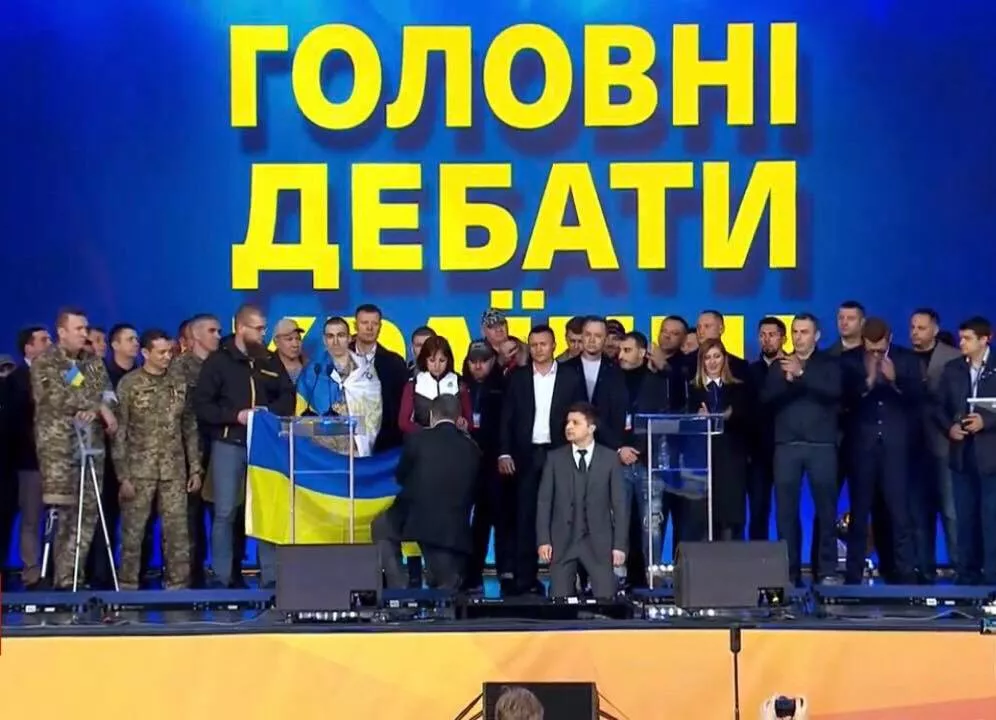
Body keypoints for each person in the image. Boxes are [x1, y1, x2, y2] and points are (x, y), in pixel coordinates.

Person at [193, 304, 295, 588]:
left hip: (264, 446)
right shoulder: (218, 362)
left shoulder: (269, 360)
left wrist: (267, 413)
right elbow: (202, 406)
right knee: (225, 511)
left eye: (264, 328)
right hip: (229, 444)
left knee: (267, 511)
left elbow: (288, 395)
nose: (263, 334)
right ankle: (223, 577)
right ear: (240, 328)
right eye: (258, 329)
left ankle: (272, 577)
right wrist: (235, 416)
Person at [30, 307, 118, 590]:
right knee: (64, 514)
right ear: (62, 332)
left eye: (85, 328)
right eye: (78, 329)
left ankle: (73, 578)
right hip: (60, 450)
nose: (84, 334)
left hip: (90, 447)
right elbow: (56, 397)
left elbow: (109, 394)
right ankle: (56, 578)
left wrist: (101, 406)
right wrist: (97, 406)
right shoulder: (46, 362)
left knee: (87, 514)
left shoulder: (93, 362)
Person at [114, 329, 202, 589]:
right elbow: (120, 433)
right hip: (138, 471)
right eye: (161, 352)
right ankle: (128, 586)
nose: (167, 357)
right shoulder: (130, 384)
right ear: (145, 353)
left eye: (169, 352)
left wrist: (195, 468)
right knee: (133, 532)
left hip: (174, 470)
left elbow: (189, 427)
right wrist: (122, 476)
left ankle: (177, 586)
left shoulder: (179, 383)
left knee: (177, 532)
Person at [372, 394, 481, 591]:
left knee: (381, 526)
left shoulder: (416, 439)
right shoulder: (472, 448)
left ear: (432, 415)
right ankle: (442, 582)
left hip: (413, 517)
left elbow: (401, 477)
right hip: (453, 530)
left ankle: (399, 588)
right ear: (459, 418)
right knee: (445, 587)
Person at [536, 402, 628, 599]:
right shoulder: (554, 459)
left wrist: (619, 545)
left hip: (598, 544)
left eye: (575, 423)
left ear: (591, 428)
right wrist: (544, 540)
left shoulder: (610, 459)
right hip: (562, 543)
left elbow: (620, 505)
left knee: (605, 600)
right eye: (567, 422)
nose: (569, 427)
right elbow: (544, 502)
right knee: (559, 601)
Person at [686, 339, 750, 541]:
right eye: (707, 357)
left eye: (717, 356)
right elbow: (684, 423)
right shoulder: (692, 389)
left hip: (731, 458)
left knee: (729, 514)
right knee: (702, 515)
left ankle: (731, 554)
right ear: (701, 361)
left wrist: (728, 416)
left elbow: (745, 419)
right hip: (702, 459)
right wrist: (697, 419)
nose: (712, 362)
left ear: (724, 359)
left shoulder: (738, 388)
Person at [398, 335, 472, 434]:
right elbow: (403, 422)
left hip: (452, 438)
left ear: (448, 360)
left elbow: (470, 423)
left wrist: (463, 425)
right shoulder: (413, 385)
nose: (437, 366)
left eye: (442, 360)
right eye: (432, 360)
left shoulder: (459, 384)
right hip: (423, 439)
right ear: (425, 360)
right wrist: (427, 434)